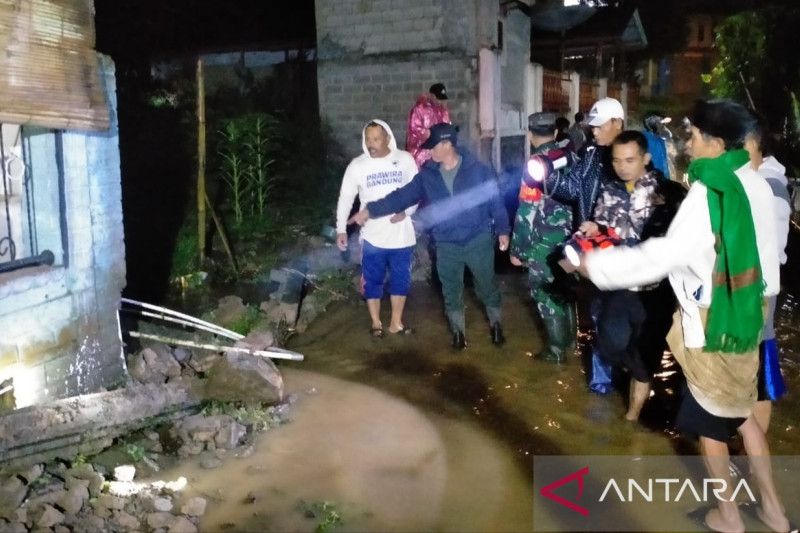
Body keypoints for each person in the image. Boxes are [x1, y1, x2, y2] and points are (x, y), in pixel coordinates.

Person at [580, 99, 788, 533]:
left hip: (715, 325)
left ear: (715, 142)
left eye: (693, 136)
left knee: (711, 424)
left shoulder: (708, 191)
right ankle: (773, 511)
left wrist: (595, 267)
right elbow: (767, 264)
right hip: (749, 318)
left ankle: (729, 516)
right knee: (746, 414)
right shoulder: (755, 184)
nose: (687, 145)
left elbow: (665, 256)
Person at [350, 123, 510, 350]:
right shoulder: (427, 175)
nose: (429, 151)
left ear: (447, 144)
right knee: (450, 291)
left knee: (486, 286)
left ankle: (496, 326)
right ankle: (458, 335)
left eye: (433, 146)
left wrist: (503, 230)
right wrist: (370, 210)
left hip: (478, 239)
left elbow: (496, 202)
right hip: (446, 243)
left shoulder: (479, 170)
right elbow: (401, 196)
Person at [578, 130, 684, 420]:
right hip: (620, 286)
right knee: (610, 343)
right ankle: (627, 367)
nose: (622, 166)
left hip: (656, 291)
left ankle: (631, 418)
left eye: (629, 160)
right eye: (616, 161)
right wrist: (594, 230)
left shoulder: (667, 194)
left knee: (644, 362)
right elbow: (603, 226)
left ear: (646, 158)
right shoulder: (610, 190)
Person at [335, 120, 418, 337]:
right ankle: (376, 323)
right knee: (373, 280)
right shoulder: (357, 166)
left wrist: (407, 212)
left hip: (402, 236)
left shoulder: (404, 160)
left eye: (376, 139)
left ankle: (396, 323)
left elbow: (417, 190)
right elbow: (345, 198)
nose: (371, 143)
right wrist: (341, 228)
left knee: (401, 280)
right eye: (367, 139)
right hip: (372, 236)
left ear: (388, 138)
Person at [510, 112, 578, 363]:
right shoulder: (568, 157)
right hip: (571, 239)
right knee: (564, 289)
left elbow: (526, 211)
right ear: (556, 132)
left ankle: (556, 351)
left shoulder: (534, 166)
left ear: (529, 135)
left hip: (543, 241)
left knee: (545, 293)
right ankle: (570, 343)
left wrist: (518, 250)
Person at [744, 115, 791, 433]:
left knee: (759, 373)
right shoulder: (750, 180)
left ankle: (752, 453)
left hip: (756, 292)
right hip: (742, 289)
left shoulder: (770, 187)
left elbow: (770, 251)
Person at [406, 82, 451, 168]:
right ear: (432, 96)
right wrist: (429, 134)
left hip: (439, 153)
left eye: (442, 99)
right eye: (438, 98)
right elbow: (414, 129)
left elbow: (447, 126)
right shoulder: (419, 109)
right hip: (421, 154)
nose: (440, 101)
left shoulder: (443, 110)